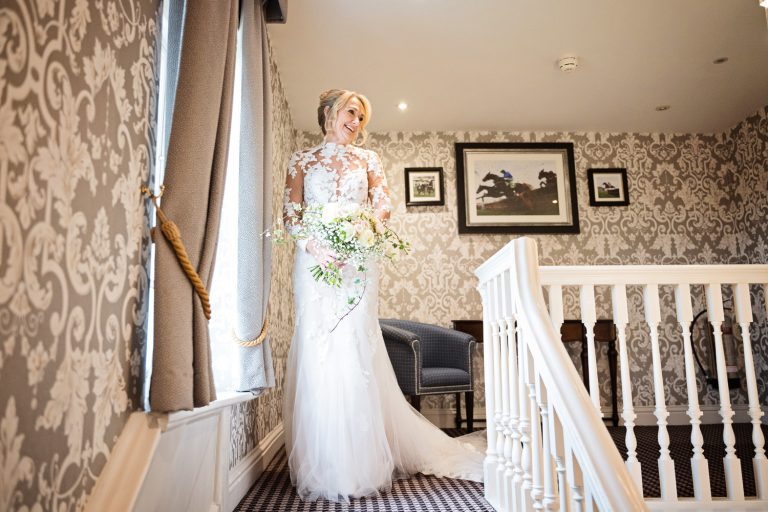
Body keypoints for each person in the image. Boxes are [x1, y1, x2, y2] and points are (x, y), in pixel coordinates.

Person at [282, 89, 484, 503]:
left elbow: (383, 206)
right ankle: (323, 459)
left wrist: (361, 232)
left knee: (355, 347)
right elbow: (291, 214)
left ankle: (360, 463)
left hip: (358, 262)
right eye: (350, 112)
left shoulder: (368, 159)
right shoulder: (301, 160)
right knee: (319, 349)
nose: (356, 122)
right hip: (315, 265)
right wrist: (314, 246)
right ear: (329, 113)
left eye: (361, 117)